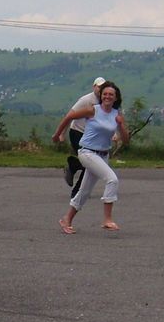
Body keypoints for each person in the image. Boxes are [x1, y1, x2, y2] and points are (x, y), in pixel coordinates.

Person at [51, 82, 129, 234]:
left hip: (103, 155)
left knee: (84, 191)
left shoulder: (116, 115)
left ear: (116, 98)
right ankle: (107, 219)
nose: (107, 96)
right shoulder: (93, 110)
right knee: (112, 179)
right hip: (87, 152)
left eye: (111, 94)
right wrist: (57, 134)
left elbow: (125, 140)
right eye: (105, 94)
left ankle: (66, 219)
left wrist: (120, 126)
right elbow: (69, 116)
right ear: (101, 96)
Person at [60, 77, 105, 198]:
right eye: (99, 87)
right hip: (77, 132)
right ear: (94, 87)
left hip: (90, 137)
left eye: (103, 87)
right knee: (90, 164)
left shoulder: (104, 102)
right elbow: (69, 116)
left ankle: (74, 165)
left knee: (91, 164)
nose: (100, 89)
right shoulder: (86, 100)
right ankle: (77, 192)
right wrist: (62, 133)